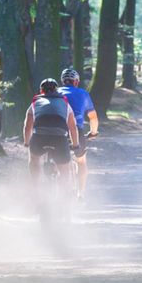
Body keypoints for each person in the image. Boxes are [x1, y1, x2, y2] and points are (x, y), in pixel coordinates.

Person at [23, 78, 80, 201]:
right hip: (59, 140)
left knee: (34, 158)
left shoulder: (35, 103)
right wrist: (75, 145)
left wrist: (27, 143)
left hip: (39, 139)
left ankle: (35, 188)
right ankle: (65, 198)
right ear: (56, 90)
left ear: (41, 91)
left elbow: (28, 126)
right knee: (64, 170)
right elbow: (73, 128)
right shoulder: (65, 104)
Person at [58, 67, 99, 201]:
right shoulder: (83, 93)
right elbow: (92, 117)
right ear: (76, 82)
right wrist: (93, 132)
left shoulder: (56, 92)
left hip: (57, 131)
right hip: (76, 131)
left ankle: (52, 180)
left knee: (54, 157)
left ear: (63, 81)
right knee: (81, 162)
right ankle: (80, 193)